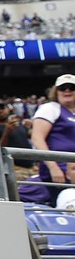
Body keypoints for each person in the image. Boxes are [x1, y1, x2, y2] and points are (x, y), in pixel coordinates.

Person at [31, 74, 75, 206]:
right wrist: (53, 167)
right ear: (56, 91)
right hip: (59, 171)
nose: (67, 91)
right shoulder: (50, 108)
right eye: (62, 88)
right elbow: (37, 138)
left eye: (71, 87)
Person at [0, 101, 36, 181]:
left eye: (2, 108)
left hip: (32, 167)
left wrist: (34, 124)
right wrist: (7, 132)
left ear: (8, 109)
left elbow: (34, 135)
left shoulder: (19, 124)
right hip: (15, 168)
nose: (0, 111)